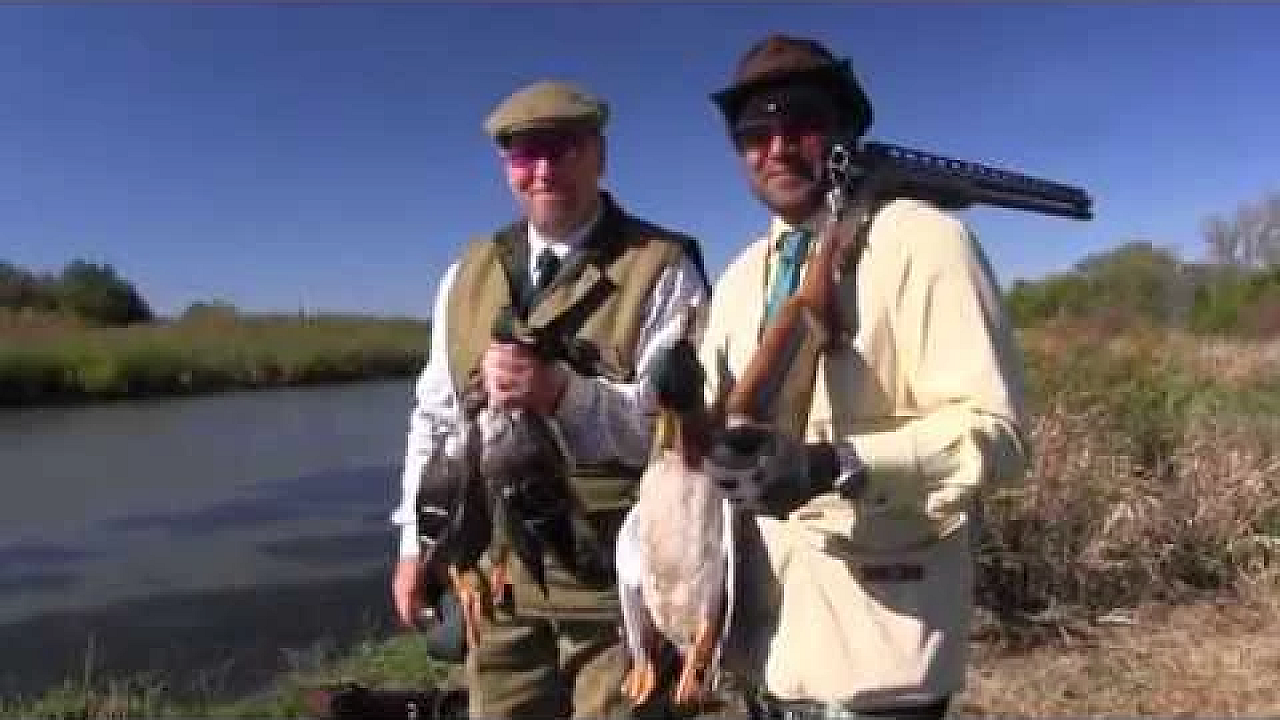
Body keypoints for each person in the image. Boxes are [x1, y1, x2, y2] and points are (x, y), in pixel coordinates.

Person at [694, 34, 1032, 719]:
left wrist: (837, 463)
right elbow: (708, 432)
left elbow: (998, 438)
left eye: (803, 123)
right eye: (755, 132)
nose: (778, 147)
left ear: (846, 131)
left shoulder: (925, 242)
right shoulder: (734, 281)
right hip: (767, 653)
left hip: (881, 657)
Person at [388, 79, 711, 719]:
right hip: (496, 585)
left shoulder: (663, 268)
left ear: (598, 155)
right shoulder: (465, 274)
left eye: (561, 148)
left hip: (619, 592)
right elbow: (436, 419)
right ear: (505, 165)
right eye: (523, 154)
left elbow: (676, 441)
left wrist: (563, 392)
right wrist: (413, 547)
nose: (542, 170)